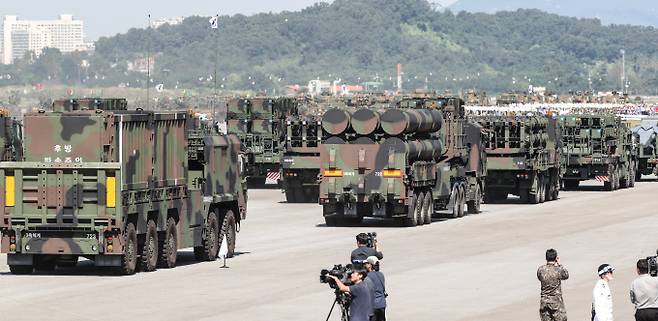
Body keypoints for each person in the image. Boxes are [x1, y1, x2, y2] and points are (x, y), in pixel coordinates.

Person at [537, 249, 569, 321]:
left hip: (544, 302)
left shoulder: (541, 269)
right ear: (555, 258)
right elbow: (566, 275)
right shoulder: (558, 270)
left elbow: (539, 277)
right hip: (556, 303)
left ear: (546, 258)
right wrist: (559, 264)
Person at [364, 256, 387, 321]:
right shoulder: (381, 274)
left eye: (366, 263)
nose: (365, 265)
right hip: (382, 304)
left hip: (373, 305)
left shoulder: (368, 276)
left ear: (370, 265)